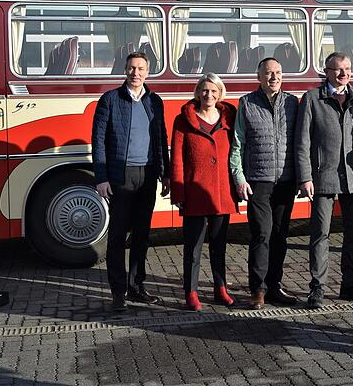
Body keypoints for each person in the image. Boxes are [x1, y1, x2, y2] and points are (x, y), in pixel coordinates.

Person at [295, 51, 353, 309]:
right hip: (323, 176)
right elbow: (302, 141)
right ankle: (317, 288)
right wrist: (305, 176)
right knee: (320, 234)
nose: (344, 74)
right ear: (327, 71)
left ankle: (350, 285)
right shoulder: (312, 99)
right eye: (338, 69)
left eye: (348, 69)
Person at [91, 52, 170, 312]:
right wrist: (101, 178)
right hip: (120, 177)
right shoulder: (110, 100)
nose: (136, 73)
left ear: (148, 72)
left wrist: (165, 173)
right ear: (124, 71)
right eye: (131, 68)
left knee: (142, 235)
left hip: (147, 176)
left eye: (141, 68)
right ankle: (118, 291)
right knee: (117, 236)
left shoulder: (155, 101)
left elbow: (161, 140)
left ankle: (137, 287)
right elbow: (99, 141)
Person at [230, 58, 300, 310]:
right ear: (258, 77)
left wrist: (303, 177)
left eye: (278, 73)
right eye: (268, 73)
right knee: (262, 233)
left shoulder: (293, 103)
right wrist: (239, 178)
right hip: (258, 181)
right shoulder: (247, 103)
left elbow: (301, 144)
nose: (274, 78)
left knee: (280, 235)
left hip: (286, 180)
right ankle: (257, 289)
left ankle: (274, 287)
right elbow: (238, 144)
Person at [170, 73, 238, 311]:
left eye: (213, 91)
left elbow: (237, 154)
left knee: (219, 246)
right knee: (193, 248)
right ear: (197, 93)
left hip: (221, 192)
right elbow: (177, 159)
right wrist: (178, 193)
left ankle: (221, 289)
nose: (208, 95)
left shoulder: (230, 119)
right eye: (204, 90)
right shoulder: (183, 120)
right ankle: (191, 291)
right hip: (195, 192)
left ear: (220, 93)